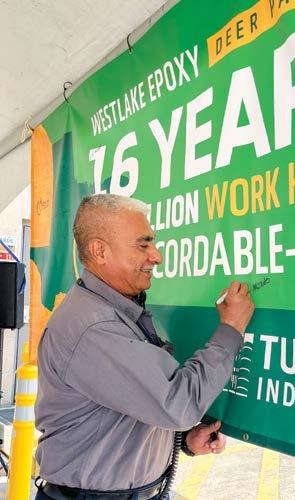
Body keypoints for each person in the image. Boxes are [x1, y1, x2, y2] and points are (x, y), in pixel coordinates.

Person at [34, 194, 255, 500]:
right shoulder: (95, 327)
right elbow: (178, 404)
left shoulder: (112, 311)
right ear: (100, 251)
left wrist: (184, 440)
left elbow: (122, 411)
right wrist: (231, 329)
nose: (156, 256)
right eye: (143, 244)